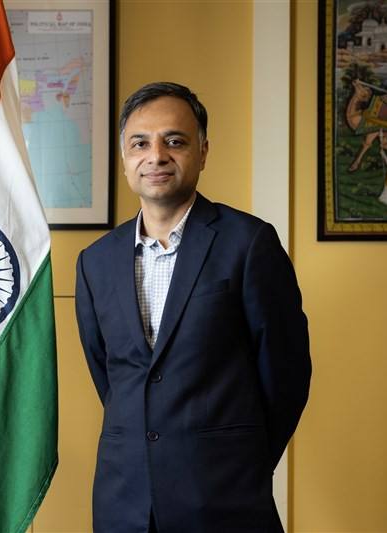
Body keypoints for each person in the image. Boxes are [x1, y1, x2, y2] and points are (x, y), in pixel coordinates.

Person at [74, 82, 311, 533]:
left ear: (202, 151)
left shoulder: (249, 243)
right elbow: (112, 377)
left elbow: (286, 376)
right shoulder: (95, 262)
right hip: (124, 503)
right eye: (139, 143)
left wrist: (241, 459)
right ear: (124, 158)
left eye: (175, 141)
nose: (156, 156)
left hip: (226, 500)